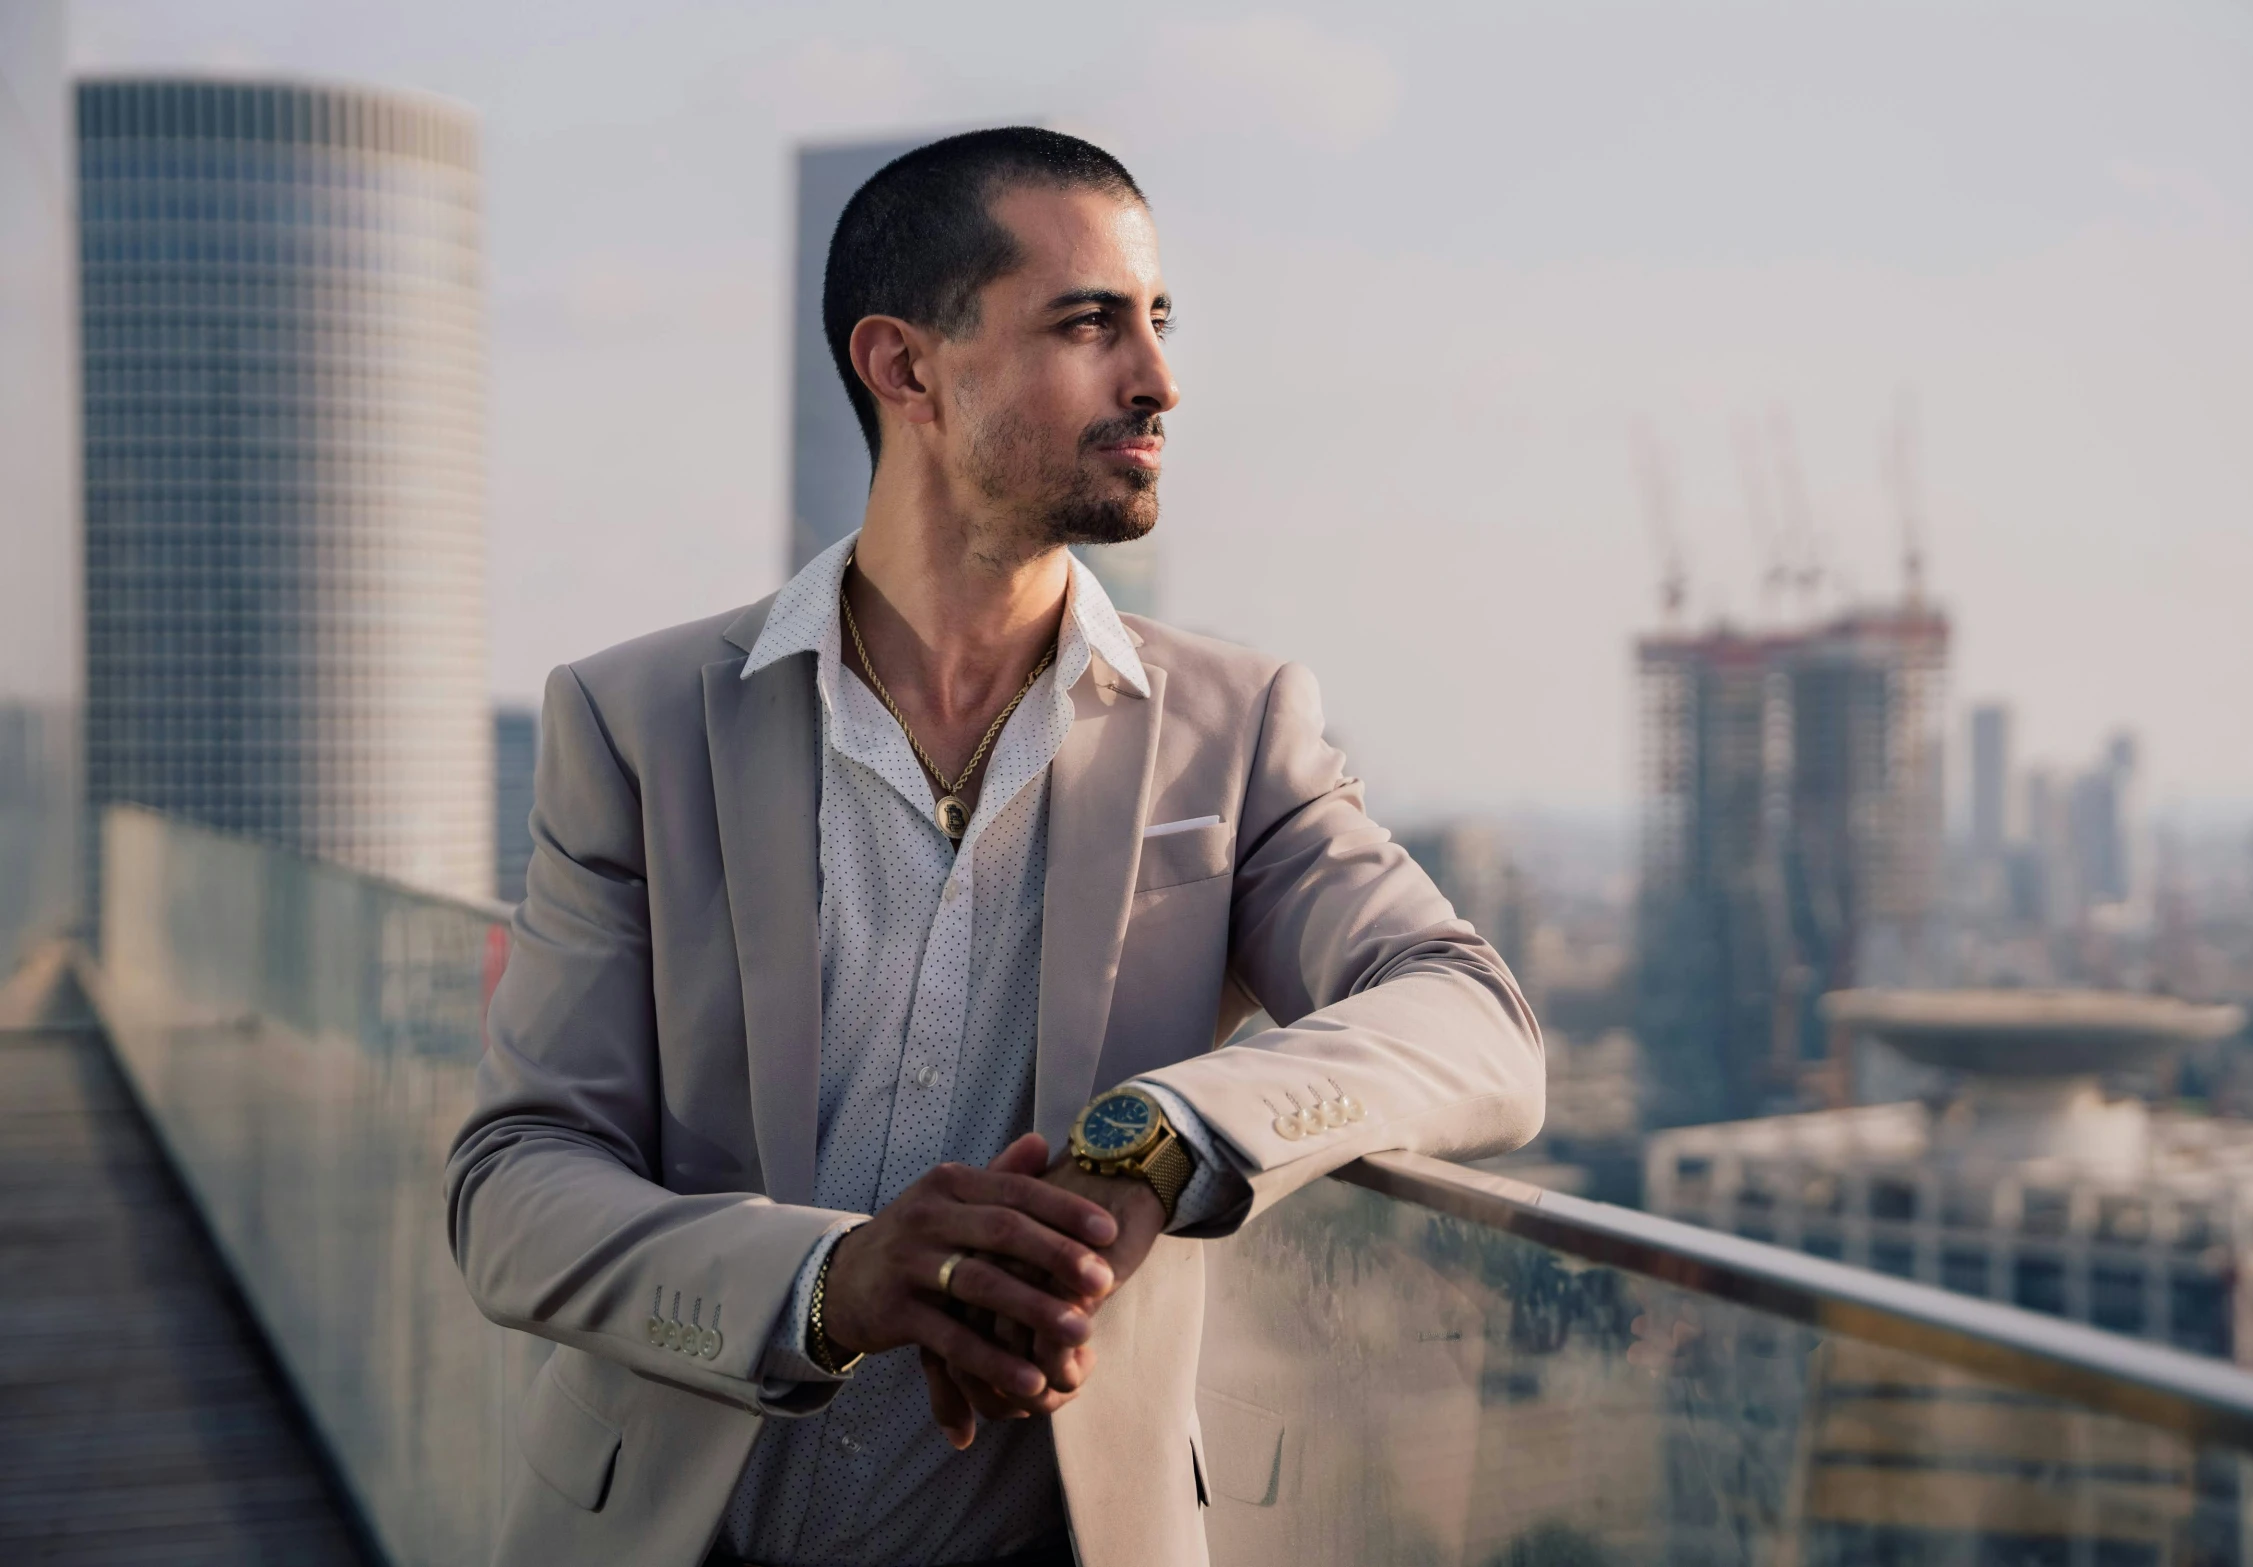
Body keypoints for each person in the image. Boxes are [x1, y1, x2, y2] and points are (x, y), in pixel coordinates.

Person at [445, 126, 1543, 1567]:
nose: (1155, 378)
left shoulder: (1232, 726)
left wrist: (1162, 1141)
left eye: (1156, 321)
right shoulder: (637, 718)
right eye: (1089, 322)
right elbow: (516, 1184)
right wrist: (833, 1281)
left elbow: (1477, 1024)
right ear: (904, 367)